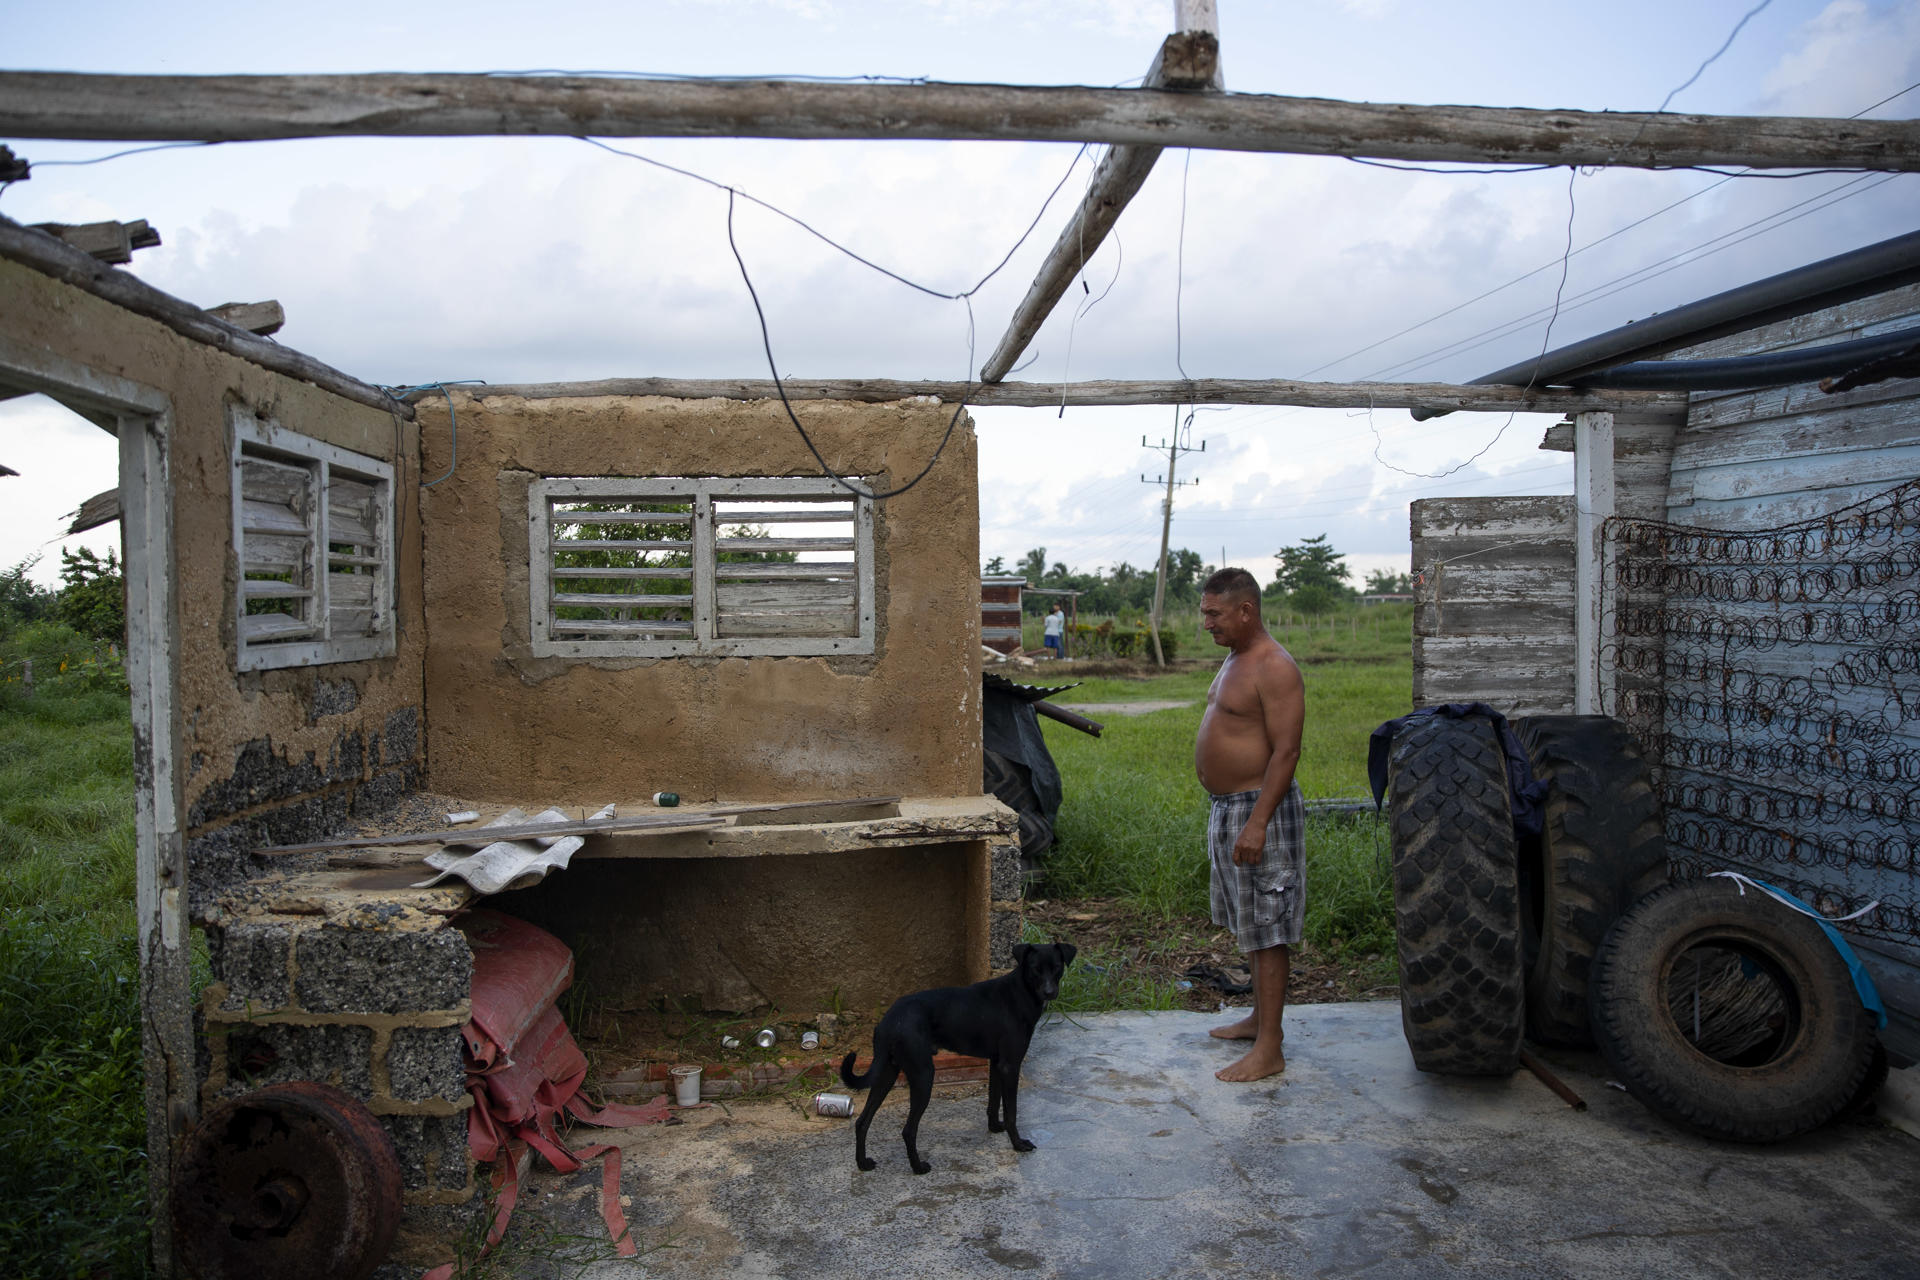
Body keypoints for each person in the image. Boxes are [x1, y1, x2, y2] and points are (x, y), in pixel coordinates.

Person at [1193, 567, 1305, 1083]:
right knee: (1251, 922)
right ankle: (1259, 1020)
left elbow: (1287, 752)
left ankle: (1270, 1047)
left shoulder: (1274, 666)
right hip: (1230, 807)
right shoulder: (1235, 658)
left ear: (1246, 610)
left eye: (1214, 614)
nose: (1207, 623)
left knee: (1269, 927)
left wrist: (1258, 823)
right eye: (1205, 613)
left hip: (1261, 809)